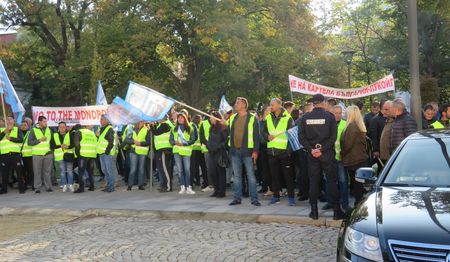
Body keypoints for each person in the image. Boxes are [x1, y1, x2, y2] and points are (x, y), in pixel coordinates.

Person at [300, 94, 344, 220]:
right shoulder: (329, 117)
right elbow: (333, 137)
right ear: (324, 102)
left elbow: (301, 137)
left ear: (314, 103)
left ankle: (314, 212)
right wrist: (322, 149)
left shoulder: (305, 117)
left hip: (312, 155)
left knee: (314, 182)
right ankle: (336, 211)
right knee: (331, 181)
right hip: (327, 154)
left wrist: (312, 149)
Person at [227, 97, 261, 206]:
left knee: (251, 176)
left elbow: (256, 136)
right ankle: (237, 198)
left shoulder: (252, 118)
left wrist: (256, 151)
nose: (235, 105)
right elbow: (228, 131)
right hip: (235, 151)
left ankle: (254, 199)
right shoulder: (232, 118)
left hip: (248, 152)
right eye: (235, 103)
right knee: (237, 177)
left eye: (238, 103)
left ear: (244, 105)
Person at [263, 98, 296, 206]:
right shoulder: (268, 117)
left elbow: (291, 135)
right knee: (274, 176)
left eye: (272, 104)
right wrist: (267, 136)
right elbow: (263, 132)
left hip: (284, 152)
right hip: (271, 151)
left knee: (288, 176)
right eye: (270, 104)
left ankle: (291, 197)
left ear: (278, 105)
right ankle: (276, 196)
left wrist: (288, 151)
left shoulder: (288, 118)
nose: (271, 106)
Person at [340, 105, 369, 206]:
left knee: (357, 184)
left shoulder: (352, 126)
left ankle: (358, 204)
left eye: (346, 113)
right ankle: (359, 203)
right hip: (359, 158)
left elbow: (348, 144)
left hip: (354, 159)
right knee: (358, 183)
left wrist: (341, 154)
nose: (345, 114)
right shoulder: (358, 124)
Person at [170, 112, 196, 194]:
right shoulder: (173, 129)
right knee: (179, 170)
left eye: (182, 117)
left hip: (186, 151)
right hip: (177, 151)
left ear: (185, 118)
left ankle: (188, 187)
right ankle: (182, 186)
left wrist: (183, 144)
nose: (180, 119)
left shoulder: (190, 128)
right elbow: (170, 141)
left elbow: (193, 140)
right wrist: (175, 142)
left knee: (187, 170)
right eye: (179, 118)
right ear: (177, 119)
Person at [205, 111, 228, 198]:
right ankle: (216, 190)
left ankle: (222, 191)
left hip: (220, 153)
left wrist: (218, 147)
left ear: (216, 118)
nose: (210, 118)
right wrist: (208, 145)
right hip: (211, 153)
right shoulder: (211, 128)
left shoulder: (222, 127)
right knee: (212, 172)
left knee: (220, 173)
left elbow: (226, 140)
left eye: (211, 117)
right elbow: (210, 139)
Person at [28, 116, 53, 193]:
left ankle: (48, 187)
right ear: (39, 122)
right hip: (37, 155)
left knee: (47, 172)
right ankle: (37, 188)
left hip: (48, 154)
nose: (46, 123)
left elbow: (52, 142)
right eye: (44, 121)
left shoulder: (49, 130)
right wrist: (39, 140)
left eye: (46, 121)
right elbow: (29, 143)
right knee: (37, 172)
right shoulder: (33, 130)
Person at [0, 115, 25, 194]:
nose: (9, 121)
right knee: (4, 173)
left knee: (19, 172)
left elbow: (21, 140)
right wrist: (4, 132)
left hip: (15, 154)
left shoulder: (17, 129)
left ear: (13, 121)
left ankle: (21, 188)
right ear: (5, 121)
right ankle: (4, 189)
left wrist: (11, 139)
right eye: (7, 119)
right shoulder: (1, 130)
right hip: (4, 155)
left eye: (11, 119)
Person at [152, 112, 176, 192]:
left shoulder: (165, 124)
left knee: (165, 169)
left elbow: (156, 132)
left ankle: (168, 187)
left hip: (164, 149)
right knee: (162, 169)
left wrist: (151, 126)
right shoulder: (162, 124)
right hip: (161, 149)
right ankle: (164, 185)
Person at [125, 120, 151, 191]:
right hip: (133, 151)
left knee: (141, 169)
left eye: (142, 122)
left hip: (142, 151)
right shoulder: (131, 129)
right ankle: (130, 185)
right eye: (139, 121)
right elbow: (127, 140)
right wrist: (133, 141)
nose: (140, 123)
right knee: (133, 168)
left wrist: (140, 143)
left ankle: (140, 185)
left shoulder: (147, 130)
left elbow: (148, 142)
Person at [51, 121, 75, 192]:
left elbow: (73, 144)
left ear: (66, 127)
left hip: (69, 156)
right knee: (62, 171)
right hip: (60, 156)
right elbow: (52, 146)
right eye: (60, 127)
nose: (62, 128)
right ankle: (64, 185)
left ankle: (70, 185)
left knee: (70, 171)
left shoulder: (70, 134)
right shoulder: (54, 135)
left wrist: (67, 146)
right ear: (58, 128)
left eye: (63, 127)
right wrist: (60, 146)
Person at [73, 125, 97, 193]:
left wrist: (78, 154)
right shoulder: (91, 132)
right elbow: (96, 143)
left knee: (81, 172)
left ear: (76, 129)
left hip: (83, 155)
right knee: (90, 172)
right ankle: (92, 186)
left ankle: (81, 188)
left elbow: (76, 144)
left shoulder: (78, 132)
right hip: (92, 154)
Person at [96, 115, 116, 193]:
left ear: (107, 120)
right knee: (104, 170)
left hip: (106, 154)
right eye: (100, 119)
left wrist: (106, 152)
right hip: (101, 153)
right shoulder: (102, 129)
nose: (101, 121)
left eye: (102, 119)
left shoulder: (109, 129)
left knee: (109, 170)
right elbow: (102, 141)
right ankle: (108, 186)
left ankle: (111, 187)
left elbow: (111, 142)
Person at [190, 114, 208, 188]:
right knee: (203, 166)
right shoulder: (202, 124)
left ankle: (197, 181)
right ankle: (205, 181)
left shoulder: (191, 124)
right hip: (201, 149)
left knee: (195, 167)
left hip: (194, 149)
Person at [20, 120, 34, 190]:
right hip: (21, 155)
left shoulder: (30, 133)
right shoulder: (18, 133)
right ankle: (25, 184)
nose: (23, 126)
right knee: (23, 171)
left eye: (25, 125)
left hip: (30, 155)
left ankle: (32, 184)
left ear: (28, 126)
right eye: (22, 125)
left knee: (31, 171)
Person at [379, 101, 394, 166]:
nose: (384, 112)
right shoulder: (387, 120)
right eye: (383, 109)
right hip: (385, 158)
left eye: (386, 109)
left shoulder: (396, 122)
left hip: (391, 157)